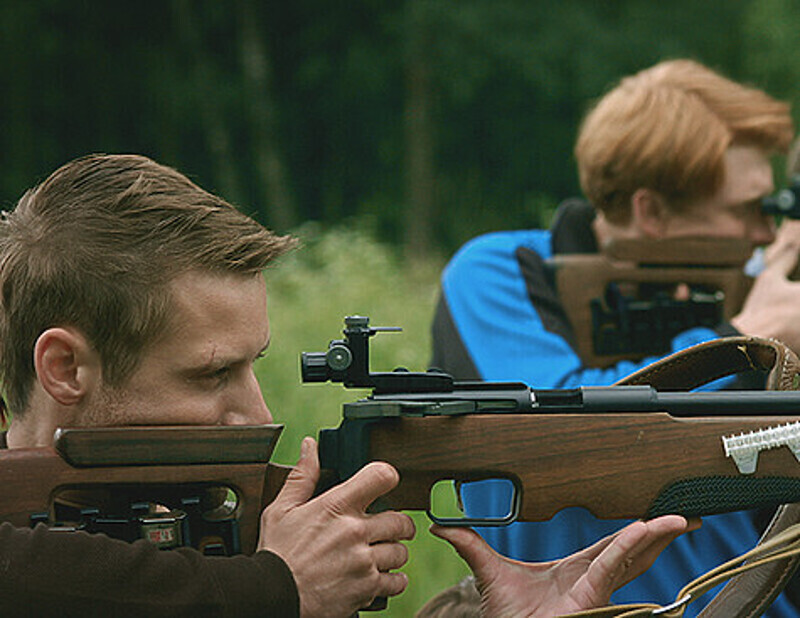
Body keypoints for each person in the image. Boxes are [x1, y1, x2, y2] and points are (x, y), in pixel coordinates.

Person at [0, 153, 692, 617]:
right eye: (211, 373)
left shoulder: (223, 540)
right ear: (65, 368)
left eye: (251, 365)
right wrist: (274, 590)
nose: (256, 412)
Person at [431, 59, 800, 615]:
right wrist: (744, 337)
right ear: (649, 211)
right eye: (749, 210)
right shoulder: (500, 271)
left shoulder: (751, 291)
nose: (767, 235)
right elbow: (566, 424)